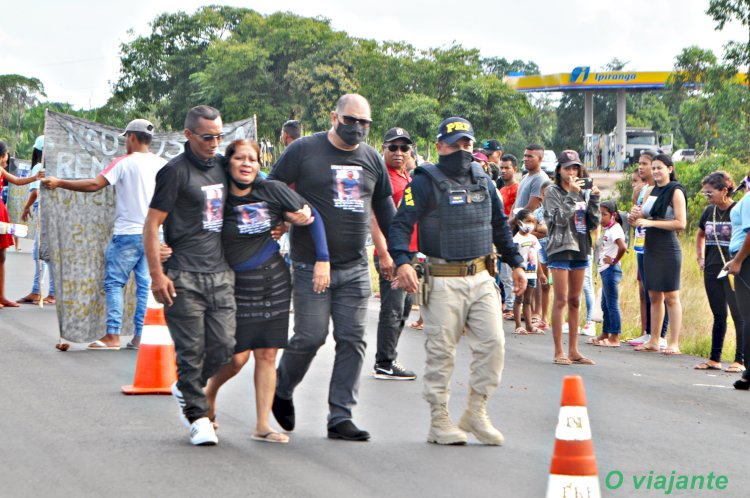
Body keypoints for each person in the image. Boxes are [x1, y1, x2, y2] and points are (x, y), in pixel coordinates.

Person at [389, 117, 525, 446]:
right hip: (443, 278)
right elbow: (401, 224)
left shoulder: (484, 180)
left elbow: (499, 226)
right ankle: (439, 418)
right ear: (439, 147)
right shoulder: (422, 182)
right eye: (454, 145)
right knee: (442, 352)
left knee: (494, 344)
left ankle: (476, 412)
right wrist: (402, 261)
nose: (462, 151)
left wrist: (516, 262)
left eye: (467, 144)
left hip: (482, 277)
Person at [269, 94, 396, 442]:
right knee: (310, 336)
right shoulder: (304, 150)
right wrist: (287, 212)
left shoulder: (371, 158)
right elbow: (273, 185)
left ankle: (340, 415)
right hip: (311, 264)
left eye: (364, 123)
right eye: (350, 120)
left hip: (354, 266)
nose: (357, 127)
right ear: (334, 117)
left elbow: (385, 208)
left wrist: (398, 252)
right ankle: (280, 387)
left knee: (352, 340)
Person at [204, 139, 326, 444]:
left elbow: (313, 217)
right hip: (237, 284)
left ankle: (262, 425)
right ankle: (208, 393)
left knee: (268, 354)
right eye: (240, 159)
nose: (247, 164)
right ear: (227, 162)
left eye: (253, 160)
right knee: (237, 358)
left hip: (274, 281)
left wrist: (322, 258)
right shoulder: (217, 195)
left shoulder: (271, 190)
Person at [144, 105, 237, 446]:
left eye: (219, 136)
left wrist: (283, 220)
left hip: (221, 274)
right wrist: (157, 275)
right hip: (183, 275)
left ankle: (187, 386)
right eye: (207, 137)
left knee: (226, 346)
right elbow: (152, 225)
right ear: (188, 135)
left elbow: (257, 193)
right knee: (190, 350)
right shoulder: (174, 172)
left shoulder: (225, 167)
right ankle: (198, 418)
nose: (214, 143)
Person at [43, 119, 167, 350]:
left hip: (127, 234)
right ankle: (140, 336)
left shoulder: (123, 163)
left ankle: (112, 336)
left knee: (113, 283)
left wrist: (59, 182)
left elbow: (93, 184)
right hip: (154, 235)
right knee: (144, 287)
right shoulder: (164, 164)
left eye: (126, 138)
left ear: (131, 137)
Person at [543, 150, 600, 366]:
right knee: (561, 299)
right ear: (559, 170)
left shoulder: (582, 191)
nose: (572, 172)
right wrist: (573, 195)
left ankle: (574, 350)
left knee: (576, 300)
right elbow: (557, 219)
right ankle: (559, 350)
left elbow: (592, 223)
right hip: (560, 246)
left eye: (575, 168)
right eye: (567, 168)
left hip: (581, 246)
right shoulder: (552, 192)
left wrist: (594, 199)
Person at [370, 127, 418, 380]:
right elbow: (374, 218)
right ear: (383, 149)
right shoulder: (383, 177)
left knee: (405, 307)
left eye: (404, 148)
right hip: (391, 253)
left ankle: (389, 357)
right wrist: (383, 254)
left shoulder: (406, 177)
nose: (399, 152)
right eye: (393, 147)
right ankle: (385, 362)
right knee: (393, 308)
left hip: (408, 253)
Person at [632, 154, 687, 355]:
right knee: (653, 294)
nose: (655, 171)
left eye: (659, 168)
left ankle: (673, 342)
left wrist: (651, 223)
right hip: (650, 245)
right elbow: (643, 215)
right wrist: (635, 217)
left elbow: (681, 223)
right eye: (653, 168)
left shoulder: (676, 191)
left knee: (671, 295)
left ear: (670, 169)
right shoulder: (650, 190)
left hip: (668, 246)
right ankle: (654, 339)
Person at [693, 172, 744, 372]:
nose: (707, 197)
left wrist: (738, 261)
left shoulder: (738, 210)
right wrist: (700, 257)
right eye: (705, 193)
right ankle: (714, 358)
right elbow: (700, 234)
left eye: (710, 193)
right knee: (718, 314)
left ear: (725, 190)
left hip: (733, 269)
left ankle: (740, 360)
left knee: (738, 314)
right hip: (712, 268)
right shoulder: (709, 212)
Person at [627, 151, 669, 348]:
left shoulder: (666, 190)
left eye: (645, 164)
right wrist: (632, 218)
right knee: (645, 289)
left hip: (658, 245)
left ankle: (660, 333)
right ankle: (647, 331)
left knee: (659, 290)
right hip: (642, 243)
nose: (641, 167)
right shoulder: (645, 190)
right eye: (640, 164)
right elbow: (638, 219)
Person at [0, 140, 44, 308]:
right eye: (6, 154)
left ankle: (2, 296)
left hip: (1, 211)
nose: (7, 157)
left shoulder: (1, 170)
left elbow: (17, 181)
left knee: (2, 256)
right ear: (2, 156)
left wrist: (35, 177)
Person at [18, 136, 55, 305]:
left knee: (38, 252)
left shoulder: (39, 167)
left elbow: (35, 192)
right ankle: (45, 291)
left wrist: (26, 207)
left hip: (44, 211)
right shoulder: (56, 166)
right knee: (49, 253)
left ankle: (38, 291)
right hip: (55, 212)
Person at [725, 170, 750, 390]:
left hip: (747, 259)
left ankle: (748, 373)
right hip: (742, 256)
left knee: (748, 316)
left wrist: (739, 260)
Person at [589, 201, 627, 347]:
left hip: (611, 270)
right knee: (605, 304)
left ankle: (615, 337)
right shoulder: (609, 229)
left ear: (614, 215)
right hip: (605, 270)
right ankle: (605, 333)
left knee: (612, 304)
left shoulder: (616, 229)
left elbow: (622, 247)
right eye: (600, 214)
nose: (601, 218)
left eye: (605, 215)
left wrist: (614, 260)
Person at [512, 209, 542, 335]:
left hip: (532, 273)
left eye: (532, 221)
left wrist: (541, 274)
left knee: (528, 300)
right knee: (519, 299)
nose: (530, 224)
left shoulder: (534, 238)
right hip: (521, 274)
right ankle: (518, 325)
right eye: (527, 221)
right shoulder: (516, 239)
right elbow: (514, 258)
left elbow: (537, 257)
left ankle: (529, 325)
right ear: (519, 223)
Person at [498, 154, 519, 319]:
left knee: (510, 273)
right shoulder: (501, 190)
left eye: (507, 168)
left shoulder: (517, 189)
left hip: (513, 236)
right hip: (501, 235)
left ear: (515, 169)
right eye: (501, 168)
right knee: (503, 275)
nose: (503, 171)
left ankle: (511, 307)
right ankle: (508, 305)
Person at [532, 180, 554, 330]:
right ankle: (543, 316)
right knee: (544, 282)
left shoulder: (558, 212)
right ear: (541, 195)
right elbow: (532, 233)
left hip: (555, 248)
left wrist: (543, 229)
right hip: (541, 248)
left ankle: (554, 317)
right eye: (546, 195)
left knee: (558, 284)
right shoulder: (536, 213)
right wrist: (542, 229)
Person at [511, 144, 549, 225]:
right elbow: (516, 203)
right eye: (525, 156)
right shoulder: (525, 177)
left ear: (540, 159)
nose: (525, 159)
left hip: (529, 227)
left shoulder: (540, 178)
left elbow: (531, 207)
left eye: (530, 156)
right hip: (518, 223)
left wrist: (512, 222)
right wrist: (511, 220)